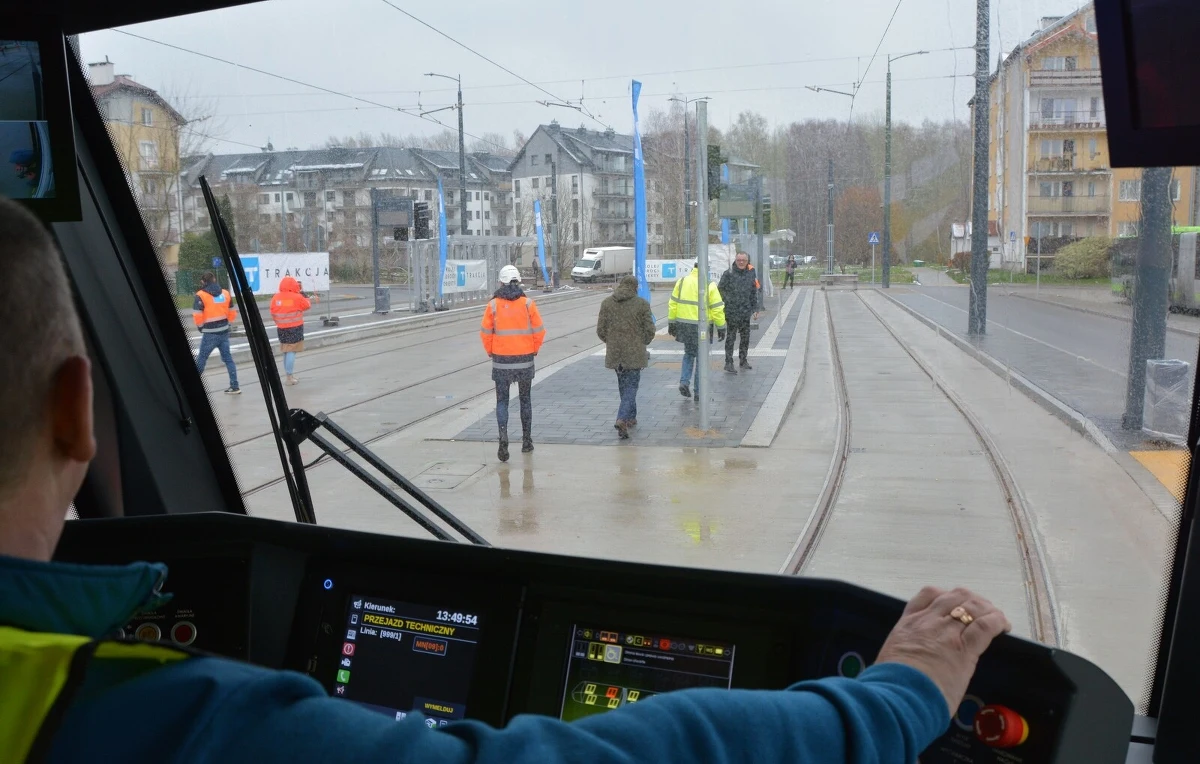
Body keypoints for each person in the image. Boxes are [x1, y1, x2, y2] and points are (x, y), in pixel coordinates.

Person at [0, 194, 1014, 762]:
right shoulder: (155, 723)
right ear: (76, 411)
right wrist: (898, 694)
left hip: (519, 381)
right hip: (524, 380)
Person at [481, 264, 545, 462]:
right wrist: (534, 349)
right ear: (518, 281)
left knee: (502, 401)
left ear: (501, 282)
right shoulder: (528, 304)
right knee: (525, 399)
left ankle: (503, 437)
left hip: (501, 361)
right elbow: (540, 330)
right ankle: (526, 441)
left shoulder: (493, 305)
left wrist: (492, 351)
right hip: (524, 359)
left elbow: (485, 332)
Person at [596, 275, 656, 439]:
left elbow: (601, 330)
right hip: (634, 351)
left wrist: (611, 341)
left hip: (616, 352)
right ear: (635, 287)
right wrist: (643, 342)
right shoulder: (641, 304)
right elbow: (650, 329)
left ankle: (631, 417)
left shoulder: (607, 303)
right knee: (631, 386)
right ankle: (622, 418)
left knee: (624, 384)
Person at [668, 259, 726, 402]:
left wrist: (671, 322)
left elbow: (673, 303)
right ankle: (699, 391)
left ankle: (684, 381)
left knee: (689, 354)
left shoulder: (681, 282)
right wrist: (721, 326)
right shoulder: (709, 284)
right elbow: (717, 308)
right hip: (702, 327)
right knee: (702, 358)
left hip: (685, 326)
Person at [193, 270, 240, 394]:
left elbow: (197, 315)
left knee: (202, 358)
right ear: (214, 280)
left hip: (210, 333)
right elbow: (232, 311)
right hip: (223, 331)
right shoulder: (225, 293)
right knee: (228, 359)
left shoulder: (201, 295)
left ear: (203, 282)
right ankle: (235, 386)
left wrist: (201, 327)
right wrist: (227, 323)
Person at [717, 252, 761, 374]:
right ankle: (728, 362)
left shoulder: (751, 272)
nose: (741, 262)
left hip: (745, 311)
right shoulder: (728, 273)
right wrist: (728, 301)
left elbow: (753, 292)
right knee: (731, 337)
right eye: (739, 260)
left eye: (743, 260)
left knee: (745, 337)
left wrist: (755, 309)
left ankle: (743, 360)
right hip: (732, 311)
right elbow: (720, 289)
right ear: (735, 261)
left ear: (747, 261)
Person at [269, 276, 314, 386]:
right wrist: (303, 294)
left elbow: (273, 312)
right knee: (291, 351)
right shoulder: (297, 297)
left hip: (281, 328)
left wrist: (279, 322)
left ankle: (289, 375)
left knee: (285, 350)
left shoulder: (276, 297)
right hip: (295, 328)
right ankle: (289, 377)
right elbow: (307, 305)